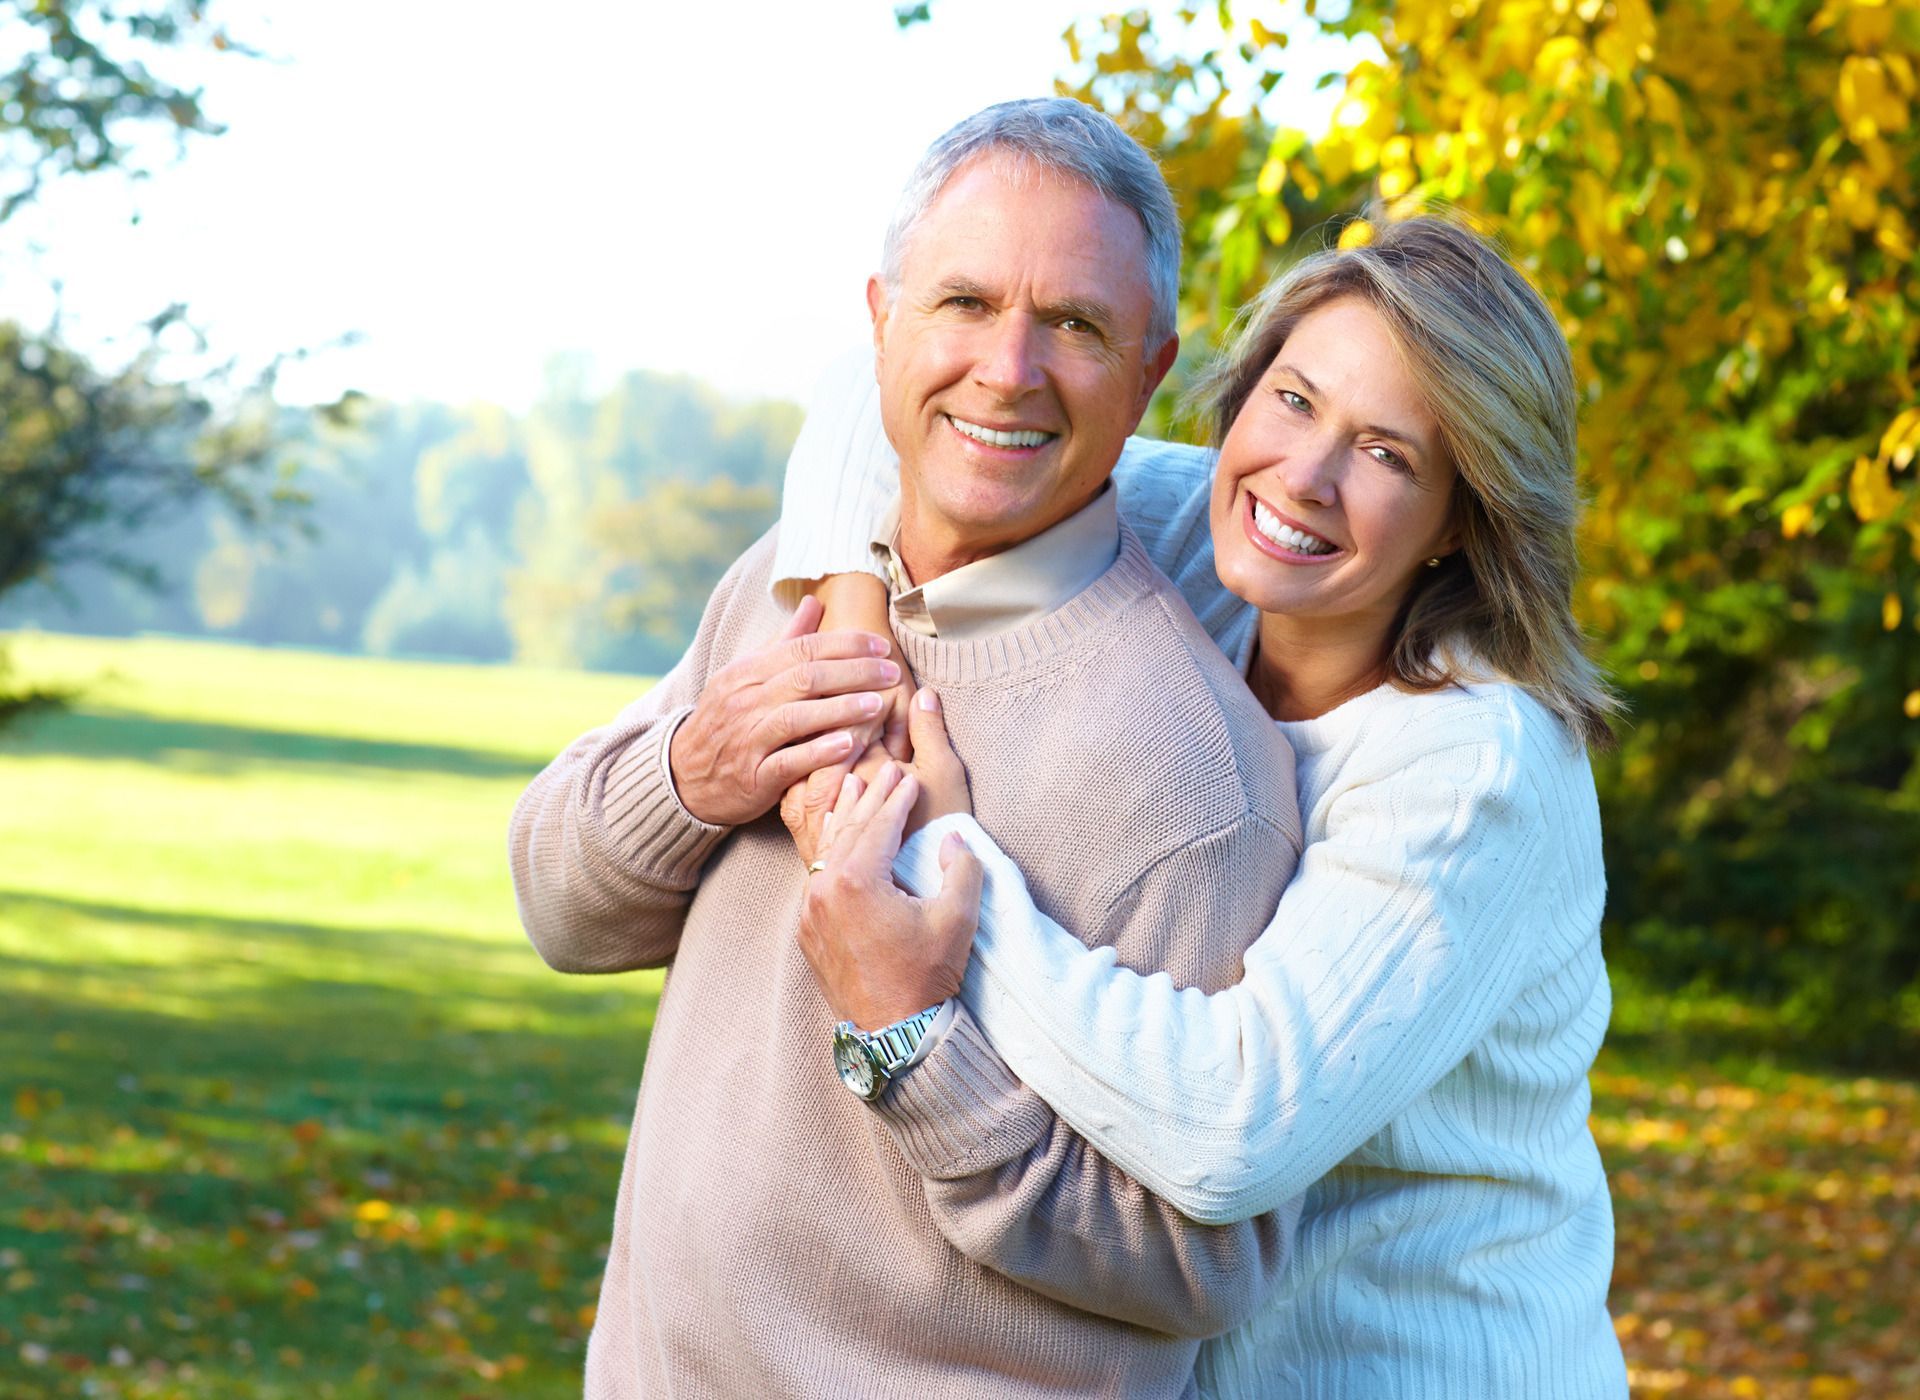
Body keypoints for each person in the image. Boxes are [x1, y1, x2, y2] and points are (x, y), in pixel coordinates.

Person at [507, 98, 1306, 1398]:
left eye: (1075, 326)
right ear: (881, 320)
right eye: (965, 304)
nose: (1007, 369)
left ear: (1152, 372)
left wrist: (915, 1045)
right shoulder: (787, 585)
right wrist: (693, 774)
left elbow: (1200, 1264)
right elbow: (558, 911)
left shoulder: (1194, 780)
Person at [777, 214, 1632, 1397]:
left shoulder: (1474, 763)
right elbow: (866, 394)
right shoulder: (1201, 535)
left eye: (1388, 455)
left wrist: (940, 861)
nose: (1306, 476)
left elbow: (1229, 1130)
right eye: (1293, 400)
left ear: (1463, 520)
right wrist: (861, 637)